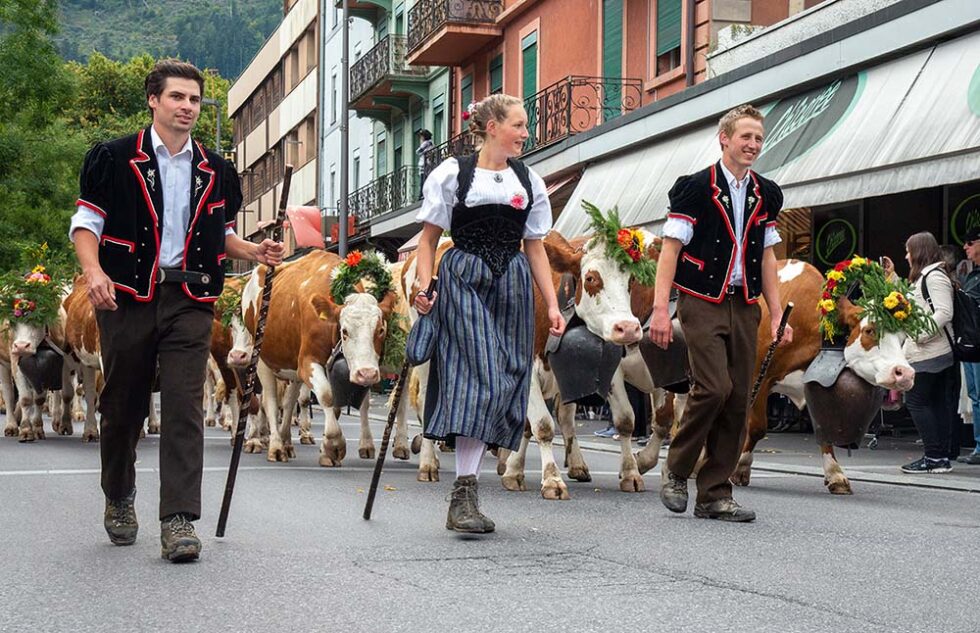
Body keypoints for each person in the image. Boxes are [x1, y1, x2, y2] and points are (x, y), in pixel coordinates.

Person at [70, 59, 284, 562]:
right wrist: (94, 272)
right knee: (123, 405)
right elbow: (87, 223)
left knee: (186, 406)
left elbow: (219, 236)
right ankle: (120, 496)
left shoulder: (216, 169)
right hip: (124, 296)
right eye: (177, 98)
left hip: (190, 299)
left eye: (194, 99)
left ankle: (179, 520)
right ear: (154, 100)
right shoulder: (114, 158)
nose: (187, 107)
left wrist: (253, 251)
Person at [409, 94, 565, 534]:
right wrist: (425, 286)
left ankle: (467, 489)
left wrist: (552, 304)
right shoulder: (452, 174)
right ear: (492, 126)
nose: (525, 132)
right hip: (463, 276)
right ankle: (464, 492)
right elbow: (427, 239)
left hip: (512, 280)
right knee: (481, 375)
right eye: (518, 124)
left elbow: (534, 246)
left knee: (512, 373)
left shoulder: (528, 179)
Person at [649, 104, 792, 523]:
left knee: (739, 398)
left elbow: (767, 258)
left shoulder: (767, 192)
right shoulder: (695, 188)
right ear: (724, 139)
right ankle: (676, 469)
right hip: (701, 299)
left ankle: (714, 493)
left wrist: (778, 312)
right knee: (713, 388)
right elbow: (670, 251)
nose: (752, 145)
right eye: (745, 136)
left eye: (758, 138)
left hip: (745, 303)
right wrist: (662, 310)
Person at [901, 231, 959, 474]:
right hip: (929, 353)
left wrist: (919, 334)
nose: (906, 256)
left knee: (916, 402)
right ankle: (939, 457)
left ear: (919, 252)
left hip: (931, 353)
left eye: (908, 250)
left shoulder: (934, 277)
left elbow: (945, 312)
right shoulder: (927, 277)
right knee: (934, 404)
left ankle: (934, 457)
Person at [957, 228, 980, 464]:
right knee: (975, 395)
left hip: (976, 341)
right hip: (972, 343)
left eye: (970, 243)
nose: (966, 247)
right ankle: (978, 446)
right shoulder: (973, 275)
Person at [416, 129, 434, 200]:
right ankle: (424, 193)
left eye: (421, 136)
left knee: (423, 180)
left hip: (424, 164)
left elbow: (418, 151)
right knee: (426, 179)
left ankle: (421, 194)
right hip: (428, 164)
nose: (421, 138)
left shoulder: (426, 143)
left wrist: (422, 152)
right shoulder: (431, 143)